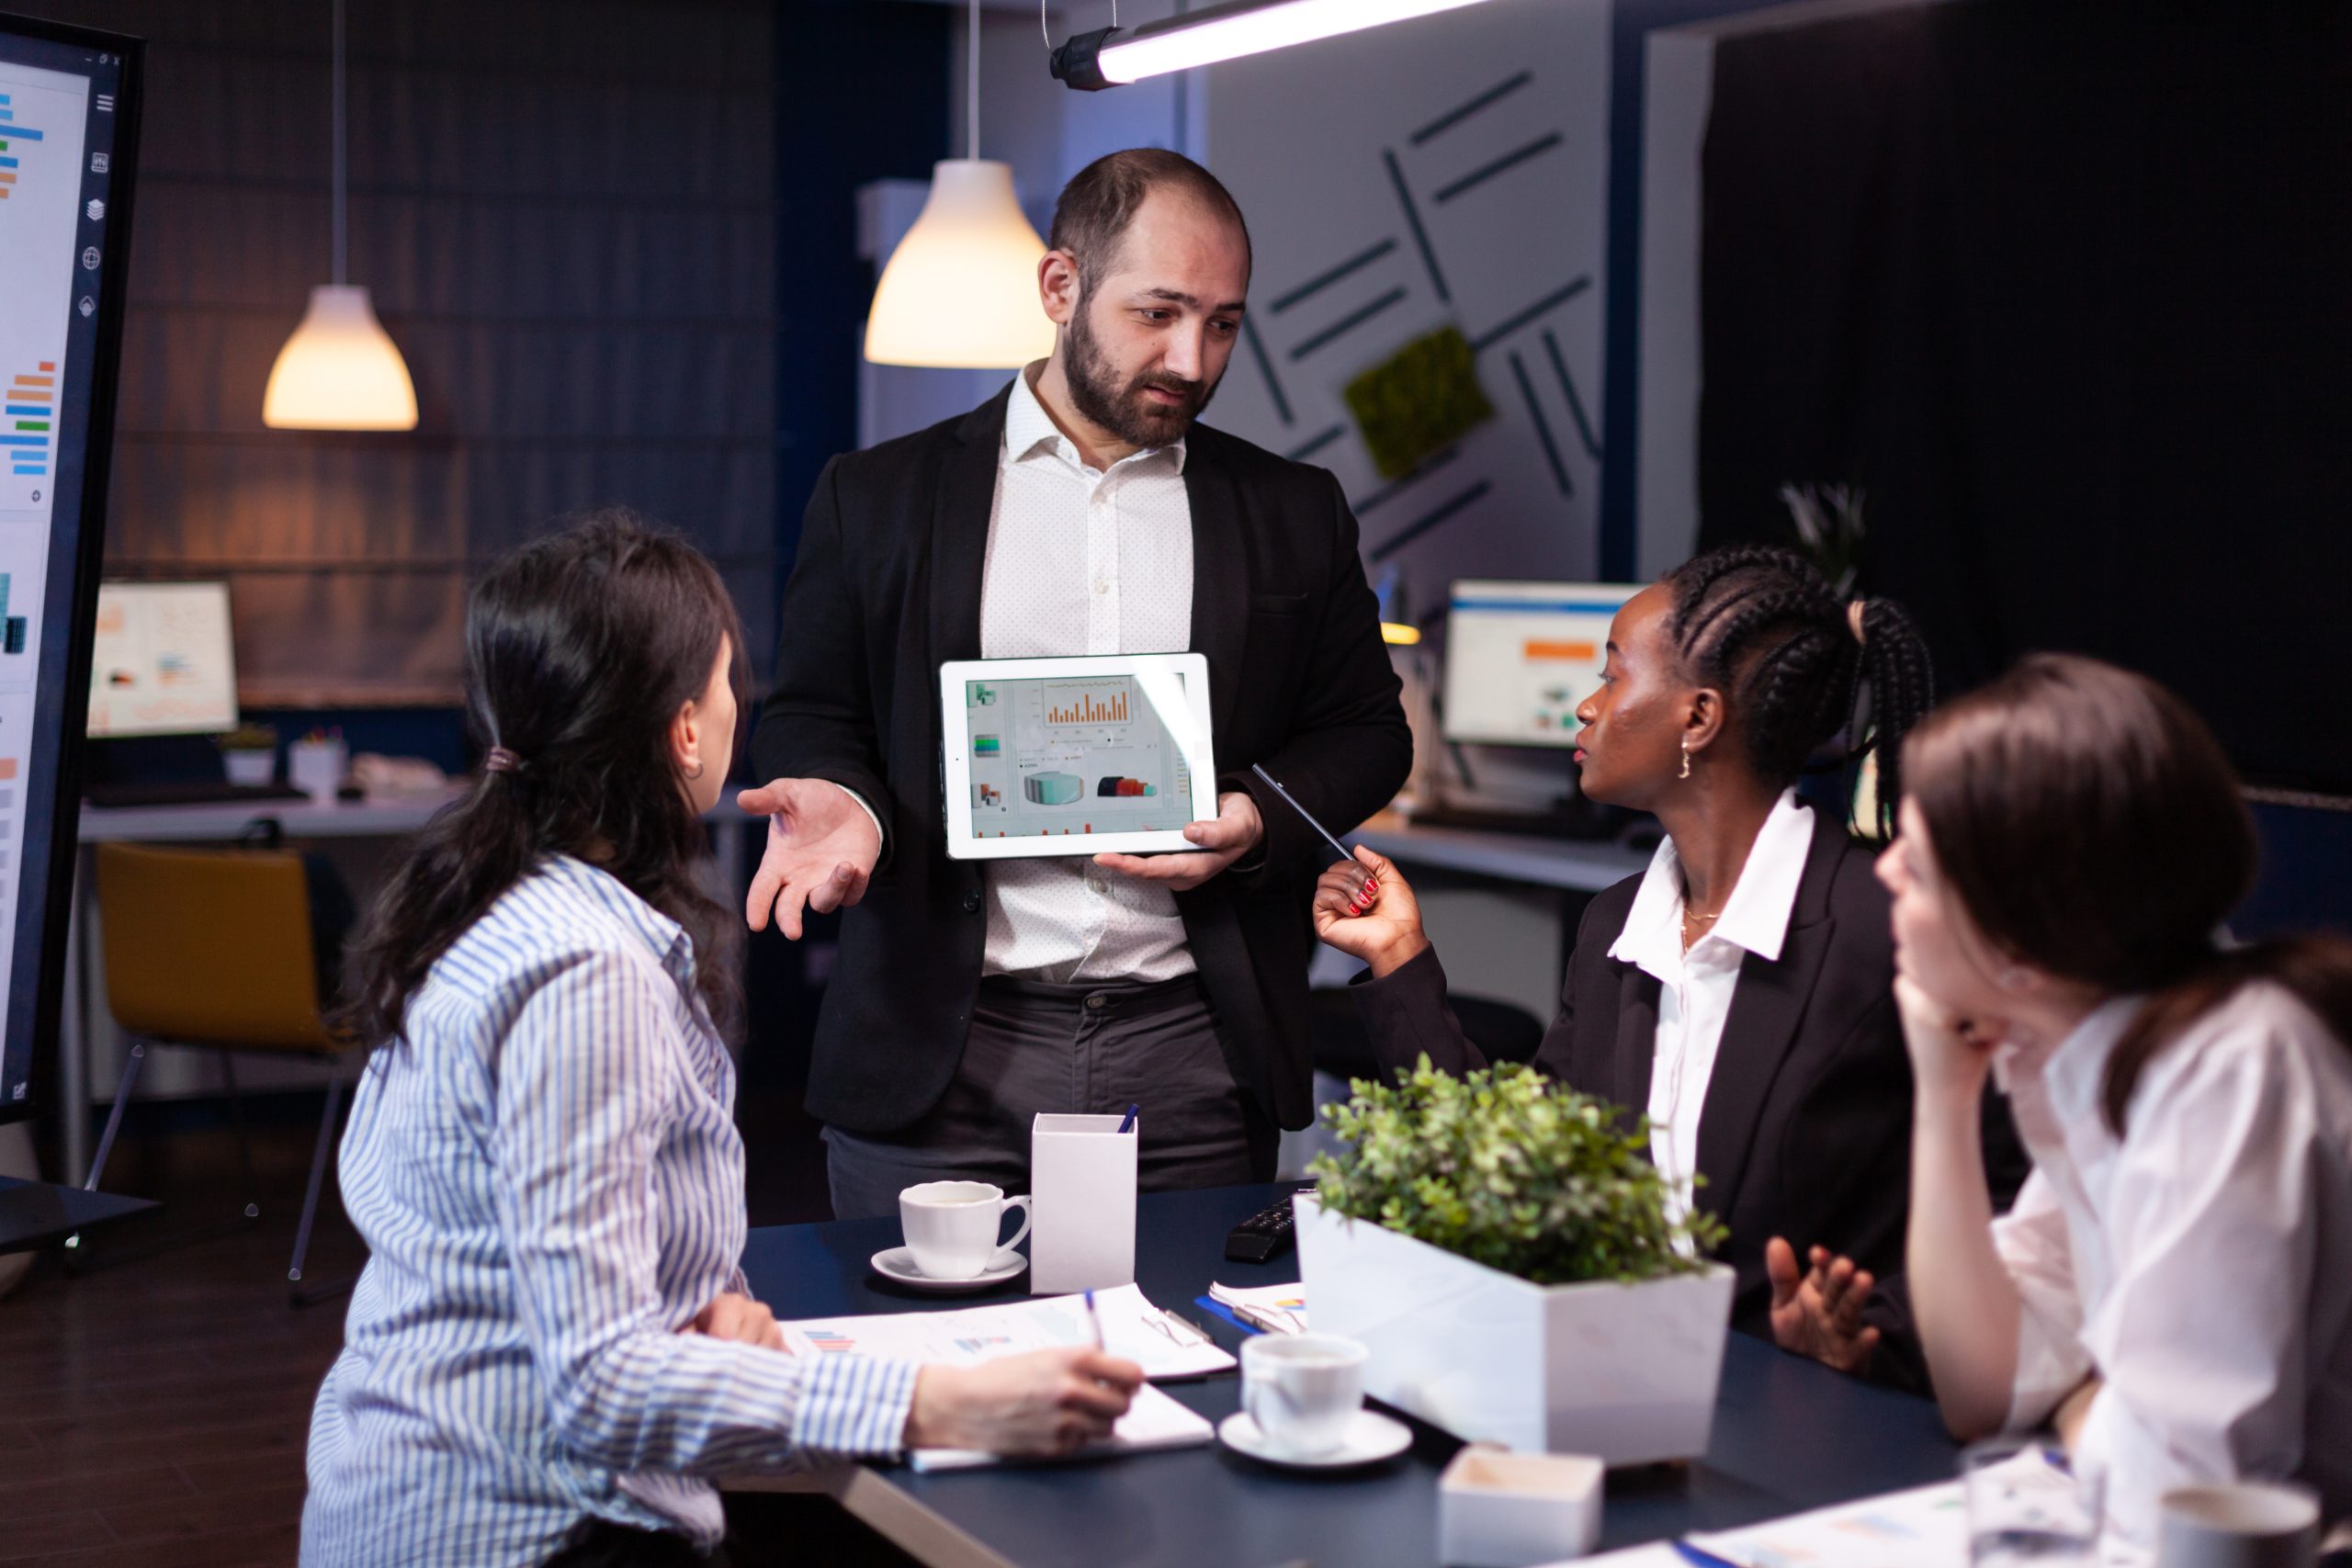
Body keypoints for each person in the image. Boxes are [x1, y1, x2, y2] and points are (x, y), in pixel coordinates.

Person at [301, 516, 1141, 1568]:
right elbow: (602, 1384)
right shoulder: (585, 973)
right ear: (686, 732)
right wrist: (942, 1404)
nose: (739, 702)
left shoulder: (482, 902)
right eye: (727, 679)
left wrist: (699, 1311)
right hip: (531, 1531)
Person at [744, 149, 1410, 1220]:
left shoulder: (1293, 509)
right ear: (1060, 287)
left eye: (1223, 324)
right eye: (1158, 313)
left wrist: (1253, 816)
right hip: (940, 1048)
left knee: (1192, 1325)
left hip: (1196, 1051)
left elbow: (1369, 733)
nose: (1191, 359)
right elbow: (814, 713)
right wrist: (847, 798)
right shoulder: (875, 497)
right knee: (912, 1326)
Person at [1313, 544, 2000, 1347]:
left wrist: (1874, 1332)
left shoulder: (1890, 930)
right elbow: (1524, 1168)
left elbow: (2012, 1203)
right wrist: (1398, 953)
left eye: (1612, 676)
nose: (1587, 706)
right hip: (1618, 1369)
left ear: (1698, 718)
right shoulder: (1617, 926)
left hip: (1804, 1401)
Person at [1769, 654, 2352, 1549]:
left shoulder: (2228, 1069)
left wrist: (2085, 1400)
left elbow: (2177, 1493)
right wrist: (1944, 1090)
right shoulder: (2088, 1047)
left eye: (1917, 864)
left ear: (2020, 938)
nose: (1884, 876)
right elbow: (1983, 1390)